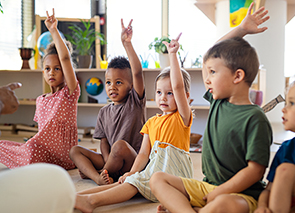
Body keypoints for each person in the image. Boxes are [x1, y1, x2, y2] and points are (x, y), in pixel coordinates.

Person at [149, 3, 273, 213]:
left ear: (238, 76)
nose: (207, 79)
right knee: (158, 179)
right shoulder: (218, 101)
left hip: (242, 195)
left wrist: (220, 192)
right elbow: (212, 54)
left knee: (224, 204)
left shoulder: (255, 118)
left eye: (213, 73)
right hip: (208, 186)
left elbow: (255, 170)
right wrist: (241, 30)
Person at [73, 33, 193, 213]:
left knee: (133, 184)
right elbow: (144, 154)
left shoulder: (182, 118)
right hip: (152, 173)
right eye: (159, 92)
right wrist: (132, 172)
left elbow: (178, 86)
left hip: (173, 178)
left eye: (170, 93)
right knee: (130, 180)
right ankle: (78, 196)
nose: (163, 97)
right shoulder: (152, 122)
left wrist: (173, 55)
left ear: (185, 97)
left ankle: (91, 202)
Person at [0, 9, 79, 170]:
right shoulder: (40, 100)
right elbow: (41, 132)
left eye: (57, 69)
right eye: (48, 69)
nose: (52, 72)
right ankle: (28, 160)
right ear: (43, 71)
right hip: (42, 152)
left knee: (30, 149)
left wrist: (53, 30)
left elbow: (65, 58)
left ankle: (28, 161)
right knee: (7, 146)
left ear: (66, 70)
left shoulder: (69, 94)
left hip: (64, 156)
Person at [69, 19, 146, 185]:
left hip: (130, 162)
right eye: (109, 82)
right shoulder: (104, 112)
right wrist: (106, 159)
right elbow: (103, 142)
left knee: (119, 146)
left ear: (131, 85)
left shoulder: (135, 102)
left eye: (119, 82)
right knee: (75, 150)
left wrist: (127, 44)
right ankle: (99, 176)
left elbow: (138, 73)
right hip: (111, 160)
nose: (112, 87)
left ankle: (99, 173)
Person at [255, 78, 295, 213]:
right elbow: (268, 190)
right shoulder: (286, 149)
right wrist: (261, 206)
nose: (283, 109)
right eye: (286, 103)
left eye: (292, 103)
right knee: (286, 170)